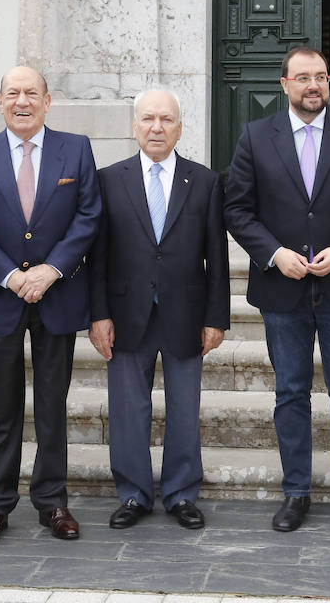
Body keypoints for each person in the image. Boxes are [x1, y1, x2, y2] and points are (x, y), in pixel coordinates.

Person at [225, 46, 330, 534]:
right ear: (284, 85)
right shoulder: (257, 136)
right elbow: (237, 209)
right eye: (303, 78)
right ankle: (296, 490)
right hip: (283, 288)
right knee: (290, 393)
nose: (313, 86)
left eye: (321, 76)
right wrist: (273, 253)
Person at [0, 66, 100, 544]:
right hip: (0, 295)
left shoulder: (75, 148)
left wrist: (51, 270)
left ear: (47, 100)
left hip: (57, 293)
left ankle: (53, 502)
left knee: (52, 404)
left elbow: (88, 215)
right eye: (13, 93)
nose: (22, 101)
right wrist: (12, 275)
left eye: (31, 93)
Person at [88, 89, 229, 530]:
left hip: (186, 312)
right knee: (129, 409)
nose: (156, 127)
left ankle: (182, 494)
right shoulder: (109, 179)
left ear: (180, 128)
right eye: (148, 119)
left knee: (185, 408)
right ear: (134, 126)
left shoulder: (204, 181)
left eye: (166, 120)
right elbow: (98, 254)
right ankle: (132, 494)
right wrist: (98, 315)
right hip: (126, 312)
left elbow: (218, 257)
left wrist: (216, 317)